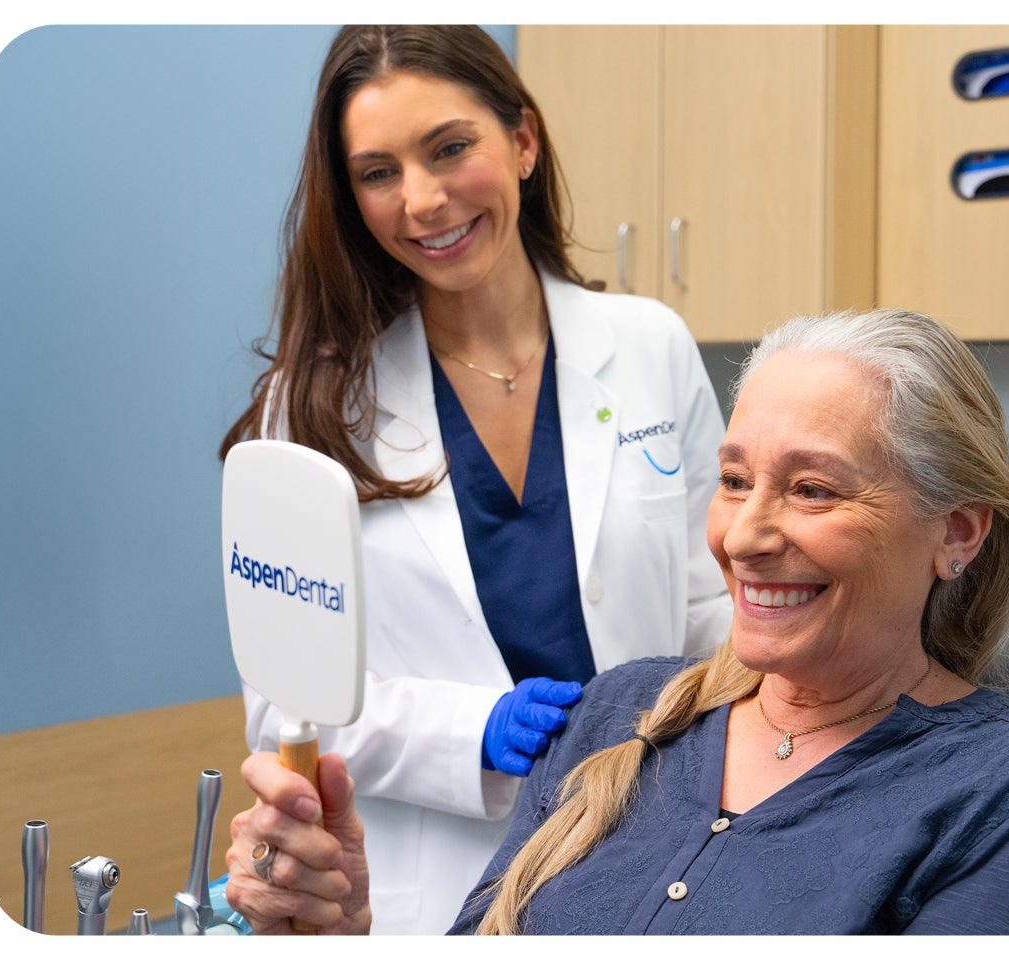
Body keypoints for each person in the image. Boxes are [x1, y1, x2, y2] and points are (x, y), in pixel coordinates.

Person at [224, 309, 1009, 935]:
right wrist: (334, 932)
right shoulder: (622, 717)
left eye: (811, 488)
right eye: (732, 480)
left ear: (956, 534)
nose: (746, 535)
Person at [217, 25, 732, 934]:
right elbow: (284, 704)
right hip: (442, 886)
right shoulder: (313, 405)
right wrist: (472, 731)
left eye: (451, 148)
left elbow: (711, 614)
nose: (422, 200)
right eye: (378, 172)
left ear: (523, 142)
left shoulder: (649, 347)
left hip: (656, 854)